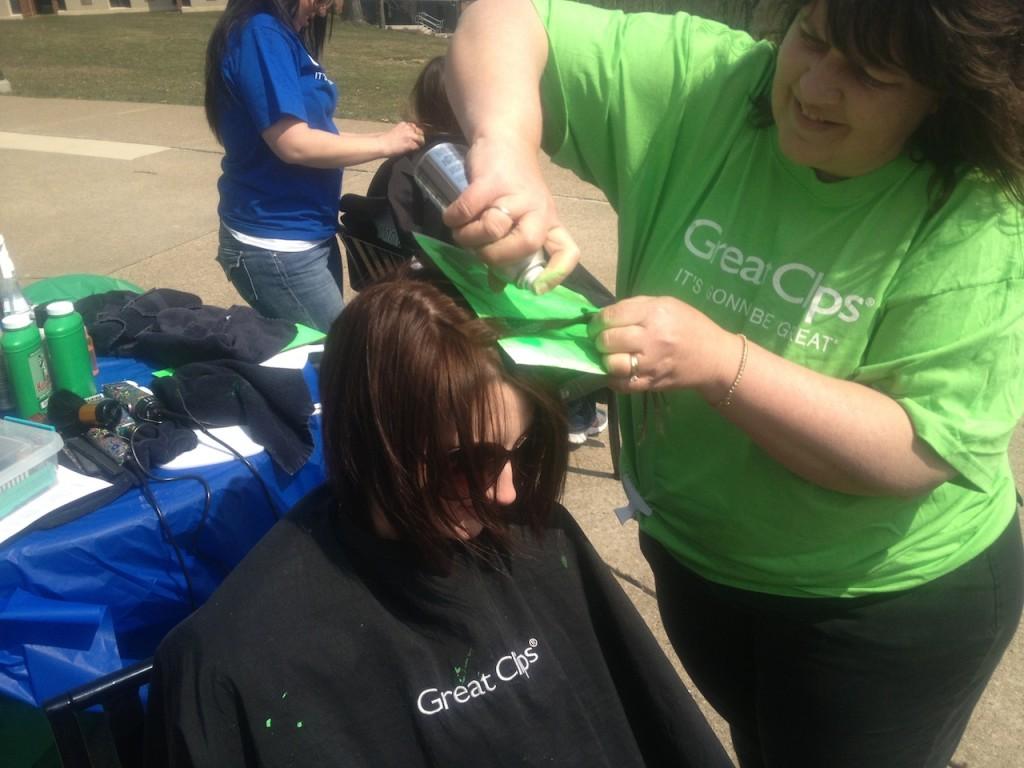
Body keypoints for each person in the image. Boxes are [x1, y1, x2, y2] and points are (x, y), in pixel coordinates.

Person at [443, 1, 1024, 765]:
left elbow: (913, 450)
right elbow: (506, 15)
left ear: (939, 97)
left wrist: (722, 364)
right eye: (810, 40)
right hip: (696, 555)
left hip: (877, 607)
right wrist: (508, 145)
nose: (814, 87)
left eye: (869, 75)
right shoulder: (712, 82)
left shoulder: (979, 212)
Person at [144, 272, 732, 767]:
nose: (505, 493)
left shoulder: (541, 538)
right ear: (374, 443)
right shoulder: (233, 658)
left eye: (522, 451)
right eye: (468, 463)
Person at [366, 55, 611, 446]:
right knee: (588, 307)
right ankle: (573, 406)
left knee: (574, 294)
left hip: (435, 276)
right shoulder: (465, 167)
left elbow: (402, 228)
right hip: (465, 285)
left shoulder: (407, 162)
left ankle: (576, 405)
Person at [204, 0, 424, 332]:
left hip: (308, 233)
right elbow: (293, 143)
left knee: (325, 352)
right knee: (339, 357)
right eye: (321, 0)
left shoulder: (280, 35)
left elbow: (318, 134)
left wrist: (389, 137)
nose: (324, 10)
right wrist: (384, 144)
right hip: (277, 244)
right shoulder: (261, 32)